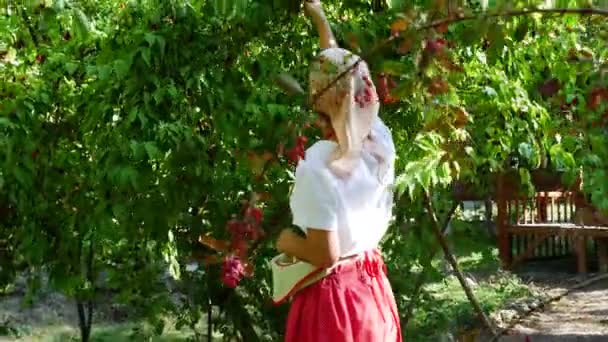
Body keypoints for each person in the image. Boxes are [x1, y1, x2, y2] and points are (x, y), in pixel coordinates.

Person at [275, 1, 402, 341]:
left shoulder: (317, 163)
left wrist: (285, 240)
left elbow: (324, 254)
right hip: (371, 291)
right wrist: (320, 20)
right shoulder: (379, 139)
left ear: (318, 99)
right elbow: (342, 78)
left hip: (334, 304)